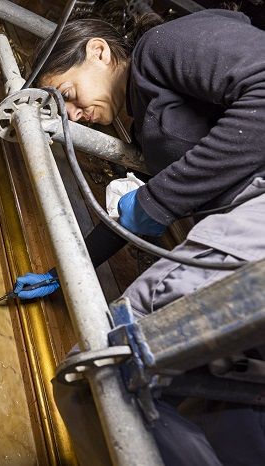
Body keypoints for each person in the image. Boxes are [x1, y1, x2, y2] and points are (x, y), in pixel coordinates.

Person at [14, 8, 265, 465]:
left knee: (96, 375)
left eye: (66, 95)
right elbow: (138, 218)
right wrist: (64, 270)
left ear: (99, 51)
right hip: (243, 220)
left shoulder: (162, 47)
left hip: (256, 209)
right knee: (219, 397)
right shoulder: (145, 117)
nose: (71, 117)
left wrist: (158, 197)